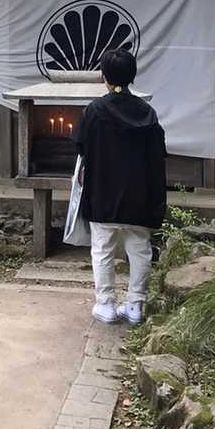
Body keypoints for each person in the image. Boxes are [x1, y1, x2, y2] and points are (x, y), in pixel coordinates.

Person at [77, 48, 167, 327]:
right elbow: (158, 155)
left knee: (102, 249)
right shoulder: (148, 113)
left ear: (103, 76)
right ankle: (136, 305)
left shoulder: (94, 111)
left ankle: (105, 304)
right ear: (133, 75)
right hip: (140, 195)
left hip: (103, 192)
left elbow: (80, 146)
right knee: (140, 249)